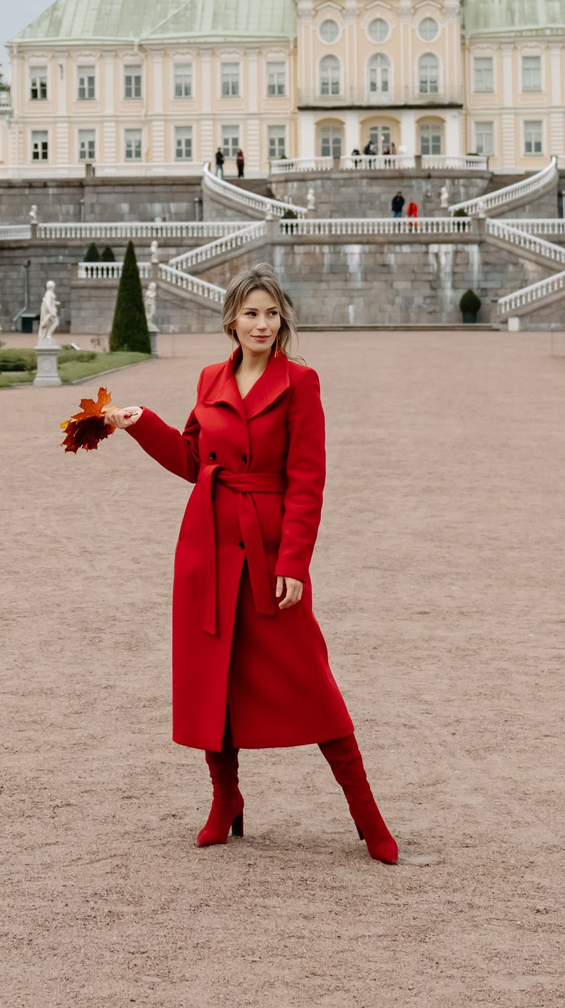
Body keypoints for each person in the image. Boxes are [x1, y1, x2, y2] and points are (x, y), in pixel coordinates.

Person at [92, 268, 399, 864]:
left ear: (283, 321)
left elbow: (308, 482)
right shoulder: (210, 378)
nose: (263, 324)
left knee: (310, 678)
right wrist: (140, 424)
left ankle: (367, 813)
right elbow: (190, 461)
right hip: (207, 547)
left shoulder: (301, 383)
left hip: (267, 550)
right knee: (214, 679)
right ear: (231, 319)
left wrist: (294, 563)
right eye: (252, 313)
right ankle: (225, 801)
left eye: (273, 314)